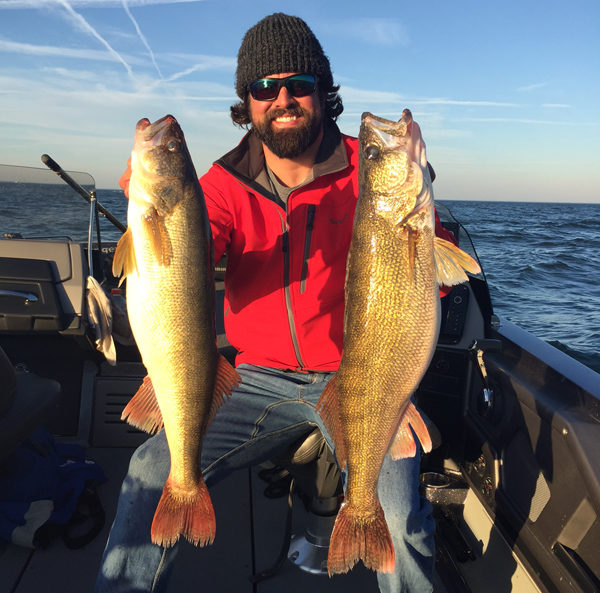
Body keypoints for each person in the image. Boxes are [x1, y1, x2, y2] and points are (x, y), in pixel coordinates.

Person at [94, 12, 455, 593]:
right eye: (265, 88)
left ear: (323, 93)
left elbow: (425, 283)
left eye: (299, 84)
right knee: (149, 472)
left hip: (359, 377)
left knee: (398, 507)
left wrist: (427, 208)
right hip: (254, 378)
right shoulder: (218, 185)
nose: (283, 98)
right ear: (248, 102)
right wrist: (154, 215)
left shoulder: (374, 174)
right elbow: (183, 258)